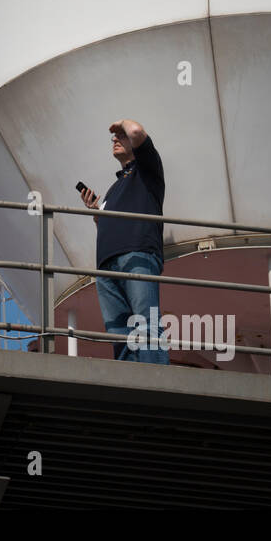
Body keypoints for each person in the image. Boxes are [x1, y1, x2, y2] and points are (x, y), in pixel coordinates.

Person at [79, 119, 168, 364]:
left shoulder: (147, 170)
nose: (115, 139)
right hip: (106, 265)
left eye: (121, 136)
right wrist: (97, 214)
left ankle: (157, 379)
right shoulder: (113, 189)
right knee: (119, 334)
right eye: (114, 137)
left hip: (138, 255)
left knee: (145, 322)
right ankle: (131, 386)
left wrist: (121, 123)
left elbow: (137, 131)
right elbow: (110, 225)